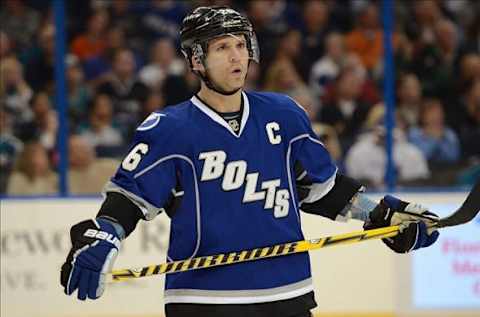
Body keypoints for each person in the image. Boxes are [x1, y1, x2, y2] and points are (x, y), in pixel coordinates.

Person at [60, 6, 440, 317]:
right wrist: (105, 234)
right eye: (223, 47)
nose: (237, 56)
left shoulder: (285, 114)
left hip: (288, 292)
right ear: (197, 59)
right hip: (204, 300)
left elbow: (320, 189)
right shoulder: (170, 128)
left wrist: (381, 217)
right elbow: (130, 198)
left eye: (241, 45)